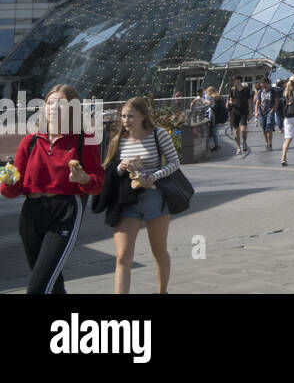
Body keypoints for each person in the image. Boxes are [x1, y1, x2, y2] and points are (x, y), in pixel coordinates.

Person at [1, 84, 105, 294]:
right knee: (52, 283)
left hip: (64, 211)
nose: (53, 107)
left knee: (38, 287)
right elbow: (13, 189)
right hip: (31, 213)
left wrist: (84, 179)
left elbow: (97, 182)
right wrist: (8, 182)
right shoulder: (30, 141)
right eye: (50, 103)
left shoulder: (83, 140)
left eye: (60, 103)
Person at [105, 97, 181, 294]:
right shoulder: (118, 140)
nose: (125, 120)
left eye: (130, 116)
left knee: (159, 250)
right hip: (128, 200)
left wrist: (154, 177)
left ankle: (162, 291)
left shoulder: (158, 135)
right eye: (123, 116)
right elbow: (109, 169)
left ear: (142, 116)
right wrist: (121, 167)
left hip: (154, 198)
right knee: (122, 255)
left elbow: (174, 162)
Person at [227, 75, 252, 155]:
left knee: (243, 129)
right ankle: (238, 147)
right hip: (235, 112)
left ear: (239, 80)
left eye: (234, 80)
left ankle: (244, 142)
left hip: (244, 112)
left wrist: (250, 112)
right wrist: (231, 102)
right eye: (233, 80)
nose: (233, 81)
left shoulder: (246, 89)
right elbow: (230, 100)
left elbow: (249, 102)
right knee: (236, 131)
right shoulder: (233, 90)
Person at [254, 78, 277, 151]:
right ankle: (267, 143)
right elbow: (257, 102)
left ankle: (270, 143)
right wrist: (256, 112)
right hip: (261, 112)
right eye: (261, 83)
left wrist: (273, 110)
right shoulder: (260, 91)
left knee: (269, 127)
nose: (261, 84)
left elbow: (276, 102)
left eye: (263, 83)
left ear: (267, 83)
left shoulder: (273, 91)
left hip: (269, 111)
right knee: (264, 129)